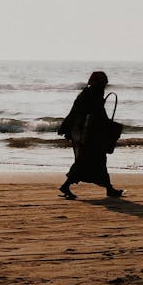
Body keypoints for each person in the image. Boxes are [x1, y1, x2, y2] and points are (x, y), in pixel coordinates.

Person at [57, 71, 124, 200]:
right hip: (88, 134)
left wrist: (65, 126)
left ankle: (109, 188)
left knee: (92, 160)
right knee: (88, 160)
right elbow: (94, 113)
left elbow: (75, 111)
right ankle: (66, 185)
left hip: (85, 132)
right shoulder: (93, 94)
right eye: (103, 83)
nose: (104, 85)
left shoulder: (88, 93)